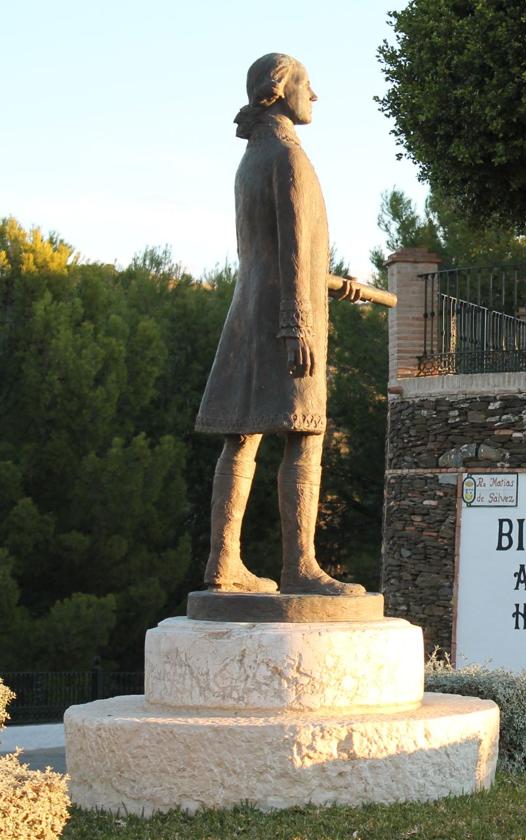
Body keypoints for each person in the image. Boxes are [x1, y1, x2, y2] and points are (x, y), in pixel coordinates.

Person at [195, 53, 364, 596]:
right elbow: (290, 243)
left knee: (240, 437)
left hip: (249, 311)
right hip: (287, 317)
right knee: (305, 433)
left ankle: (224, 565)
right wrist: (298, 319)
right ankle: (302, 568)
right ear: (279, 89)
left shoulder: (253, 157)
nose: (314, 96)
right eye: (307, 85)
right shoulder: (289, 157)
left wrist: (332, 282)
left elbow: (277, 250)